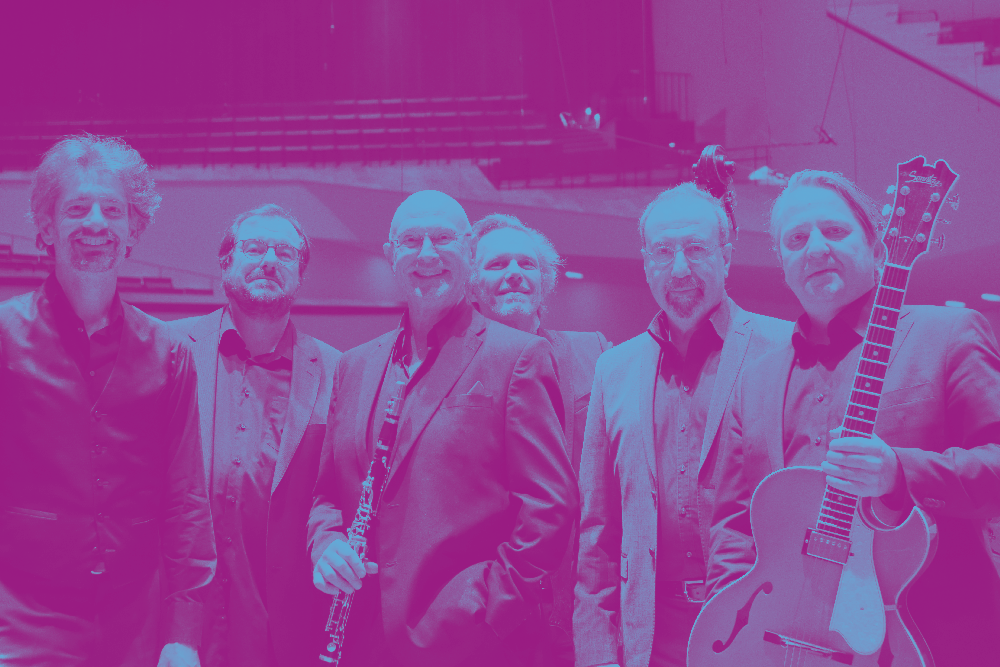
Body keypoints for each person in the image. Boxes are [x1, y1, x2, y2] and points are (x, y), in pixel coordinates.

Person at [706, 171, 1000, 666]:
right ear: (782, 263)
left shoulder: (948, 335)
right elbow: (734, 525)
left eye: (835, 231)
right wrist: (734, 625)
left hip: (929, 639)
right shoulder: (754, 381)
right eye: (796, 239)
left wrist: (900, 471)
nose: (816, 248)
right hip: (785, 642)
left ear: (877, 246)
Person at [307, 190, 576, 667]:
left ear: (468, 250)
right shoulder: (354, 365)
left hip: (472, 644)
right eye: (411, 240)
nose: (427, 254)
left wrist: (488, 610)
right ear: (391, 255)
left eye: (443, 239)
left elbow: (549, 508)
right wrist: (326, 543)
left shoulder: (517, 357)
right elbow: (327, 492)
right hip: (363, 639)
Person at [0, 134, 214, 667]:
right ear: (46, 226)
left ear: (133, 230)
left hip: (136, 627)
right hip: (21, 623)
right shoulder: (4, 338)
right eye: (77, 208)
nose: (96, 223)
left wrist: (184, 634)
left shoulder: (170, 352)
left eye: (113, 210)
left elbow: (186, 502)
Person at [574, 182, 792, 667]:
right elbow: (597, 533)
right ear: (645, 262)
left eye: (695, 249)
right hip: (652, 636)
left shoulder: (785, 349)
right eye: (663, 252)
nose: (679, 269)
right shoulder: (614, 369)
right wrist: (597, 653)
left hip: (759, 624)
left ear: (726, 256)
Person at [168, 204, 341, 667]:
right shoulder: (168, 349)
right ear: (226, 262)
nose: (269, 260)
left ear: (300, 273)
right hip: (182, 624)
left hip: (286, 627)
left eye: (284, 252)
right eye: (255, 248)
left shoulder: (338, 371)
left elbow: (338, 490)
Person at [468, 213, 610, 665]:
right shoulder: (453, 374)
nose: (514, 273)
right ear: (471, 285)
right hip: (497, 609)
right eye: (497, 264)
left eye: (526, 264)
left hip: (585, 598)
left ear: (545, 280)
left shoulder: (595, 353)